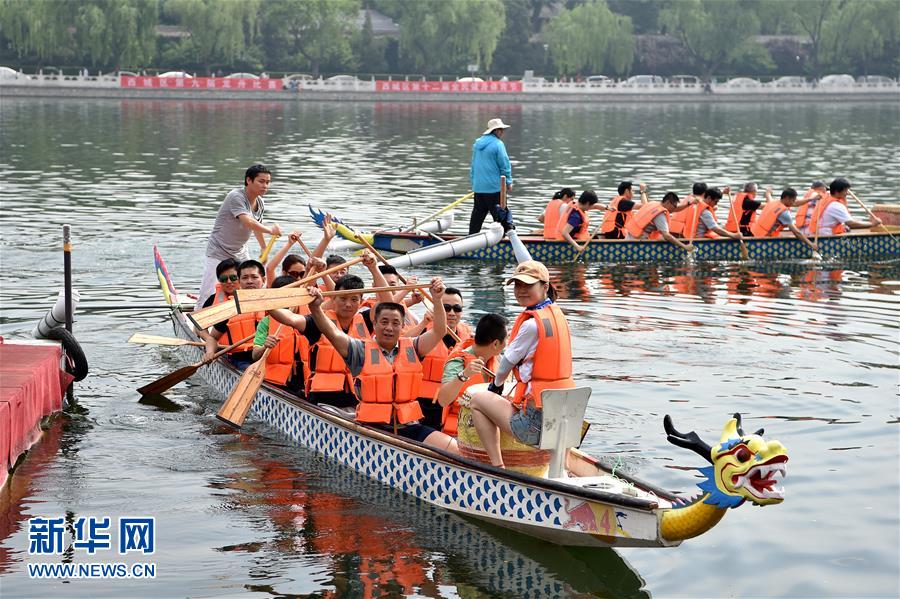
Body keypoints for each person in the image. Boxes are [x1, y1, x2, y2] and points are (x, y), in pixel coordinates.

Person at [307, 279, 460, 452]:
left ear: (402, 326)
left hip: (408, 426)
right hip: (372, 428)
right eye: (384, 322)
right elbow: (332, 332)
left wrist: (437, 299)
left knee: (454, 449)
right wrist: (315, 308)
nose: (389, 328)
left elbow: (439, 331)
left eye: (395, 323)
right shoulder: (360, 350)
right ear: (374, 324)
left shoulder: (414, 347)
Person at [467, 261, 575, 468]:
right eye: (518, 285)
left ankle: (498, 467)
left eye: (528, 285)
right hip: (566, 420)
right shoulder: (558, 315)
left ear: (545, 287)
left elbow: (507, 361)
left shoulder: (531, 324)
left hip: (534, 426)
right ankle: (562, 470)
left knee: (478, 401)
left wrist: (496, 386)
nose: (521, 291)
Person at [267, 252, 392, 408]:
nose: (348, 304)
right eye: (343, 299)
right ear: (333, 299)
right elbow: (291, 318)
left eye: (354, 299)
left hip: (358, 399)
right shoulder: (319, 321)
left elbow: (389, 303)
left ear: (361, 302)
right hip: (323, 400)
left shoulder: (366, 320)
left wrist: (374, 268)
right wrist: (268, 303)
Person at [198, 164, 281, 306]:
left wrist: (263, 248)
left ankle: (245, 313)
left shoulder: (260, 202)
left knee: (250, 283)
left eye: (267, 182)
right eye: (261, 181)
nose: (265, 186)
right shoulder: (235, 197)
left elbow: (256, 227)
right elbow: (247, 221)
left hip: (240, 251)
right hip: (218, 250)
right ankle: (198, 316)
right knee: (209, 292)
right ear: (249, 180)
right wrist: (270, 230)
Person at [404, 287, 473, 429]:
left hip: (455, 402)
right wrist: (423, 323)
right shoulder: (424, 331)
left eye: (457, 308)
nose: (452, 313)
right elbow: (399, 346)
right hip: (424, 404)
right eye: (446, 308)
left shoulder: (468, 335)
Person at [436, 313, 507, 437]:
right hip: (460, 432)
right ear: (495, 343)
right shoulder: (458, 361)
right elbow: (443, 400)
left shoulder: (497, 359)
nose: (508, 343)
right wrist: (464, 374)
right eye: (507, 338)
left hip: (487, 429)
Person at [198, 259, 267, 369]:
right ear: (241, 280)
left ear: (263, 280)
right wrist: (210, 351)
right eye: (224, 279)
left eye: (254, 277)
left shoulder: (273, 303)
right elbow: (209, 335)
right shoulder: (230, 308)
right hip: (240, 357)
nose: (229, 282)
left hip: (268, 355)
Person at [251, 275, 307, 395]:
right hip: (279, 381)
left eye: (291, 297)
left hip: (306, 381)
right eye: (282, 298)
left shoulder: (309, 319)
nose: (287, 302)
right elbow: (255, 355)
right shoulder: (266, 322)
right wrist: (265, 346)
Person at [469, 118, 513, 234]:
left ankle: (470, 240)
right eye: (501, 130)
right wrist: (508, 182)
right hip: (494, 188)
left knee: (477, 216)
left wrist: (474, 183)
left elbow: (473, 165)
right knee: (501, 217)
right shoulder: (498, 144)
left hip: (479, 187)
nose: (502, 133)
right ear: (496, 131)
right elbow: (504, 164)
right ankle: (506, 241)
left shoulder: (477, 144)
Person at [749, 188, 819, 253]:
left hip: (754, 233)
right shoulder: (784, 213)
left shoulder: (772, 202)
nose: (794, 203)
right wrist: (811, 244)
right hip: (763, 239)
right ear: (787, 198)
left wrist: (812, 198)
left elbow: (796, 203)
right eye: (793, 200)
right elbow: (797, 233)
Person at [624, 192, 695, 253]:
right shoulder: (660, 214)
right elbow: (667, 236)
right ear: (668, 203)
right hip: (636, 244)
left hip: (628, 238)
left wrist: (688, 204)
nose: (674, 209)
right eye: (674, 206)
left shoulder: (653, 204)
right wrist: (684, 247)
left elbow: (676, 209)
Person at [809, 178, 881, 236]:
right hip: (825, 235)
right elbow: (851, 224)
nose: (847, 193)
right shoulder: (835, 205)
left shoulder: (826, 197)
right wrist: (872, 224)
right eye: (845, 191)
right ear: (837, 192)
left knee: (845, 228)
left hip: (817, 231)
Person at [673, 187, 743, 240]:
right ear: (709, 198)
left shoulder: (696, 203)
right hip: (699, 241)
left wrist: (722, 192)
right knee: (723, 231)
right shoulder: (705, 212)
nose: (716, 204)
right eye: (716, 202)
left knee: (723, 227)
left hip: (688, 237)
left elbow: (708, 197)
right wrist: (734, 235)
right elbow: (715, 229)